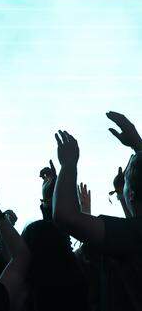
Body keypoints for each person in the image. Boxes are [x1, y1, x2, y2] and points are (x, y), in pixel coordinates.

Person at [53, 113, 142, 311]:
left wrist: (68, 165)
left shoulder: (134, 233)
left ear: (133, 195)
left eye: (125, 184)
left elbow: (66, 216)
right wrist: (138, 145)